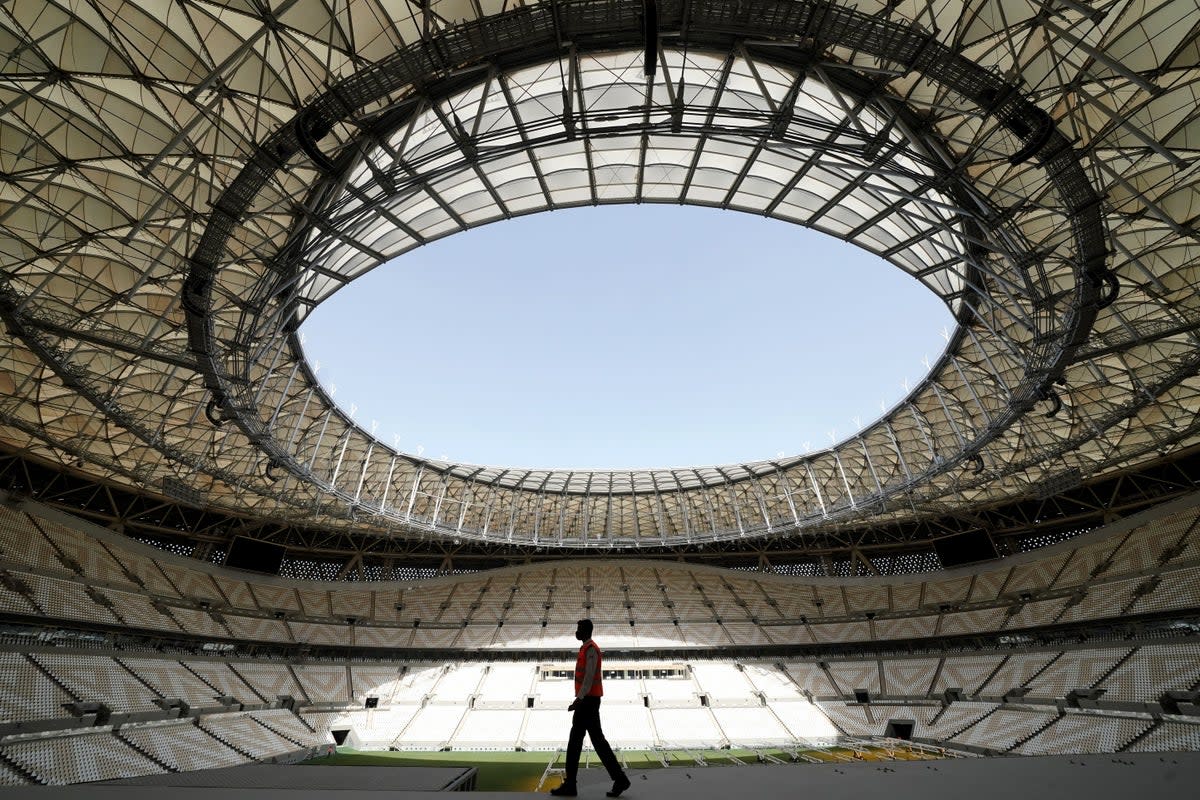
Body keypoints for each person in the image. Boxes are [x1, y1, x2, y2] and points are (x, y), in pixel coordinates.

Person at [550, 619, 631, 798]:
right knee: (596, 742)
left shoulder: (591, 649)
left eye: (579, 629)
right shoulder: (586, 648)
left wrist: (578, 700)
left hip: (588, 702)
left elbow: (588, 677)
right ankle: (619, 779)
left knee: (576, 742)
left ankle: (571, 785)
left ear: (586, 631)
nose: (576, 632)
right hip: (588, 701)